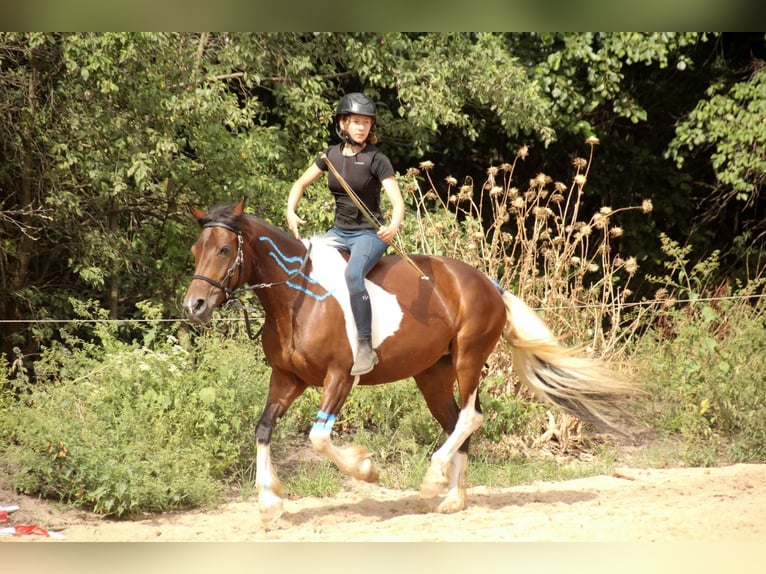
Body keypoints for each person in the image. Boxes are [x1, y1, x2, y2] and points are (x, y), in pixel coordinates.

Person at [286, 92, 405, 376]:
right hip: (338, 233)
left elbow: (398, 202)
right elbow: (299, 184)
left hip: (367, 234)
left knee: (353, 275)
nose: (362, 128)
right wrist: (291, 211)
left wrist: (393, 225)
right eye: (356, 122)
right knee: (300, 262)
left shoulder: (377, 159)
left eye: (366, 123)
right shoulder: (329, 156)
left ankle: (365, 346)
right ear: (343, 124)